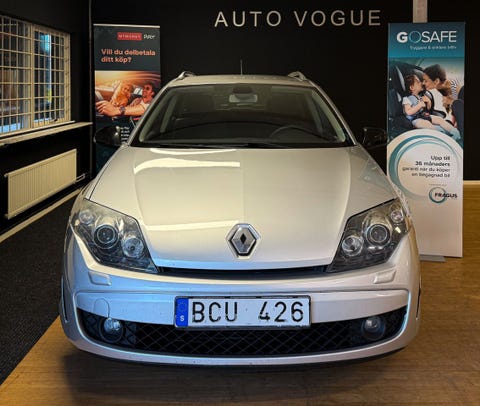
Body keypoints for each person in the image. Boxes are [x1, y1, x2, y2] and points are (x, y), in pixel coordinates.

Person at [402, 74, 461, 141]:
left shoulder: (420, 97)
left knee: (439, 119)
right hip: (416, 119)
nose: (421, 83)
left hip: (425, 115)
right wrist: (419, 105)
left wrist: (429, 102)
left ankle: (455, 132)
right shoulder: (407, 99)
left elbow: (428, 109)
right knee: (426, 124)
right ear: (412, 87)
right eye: (418, 82)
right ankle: (440, 136)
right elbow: (408, 112)